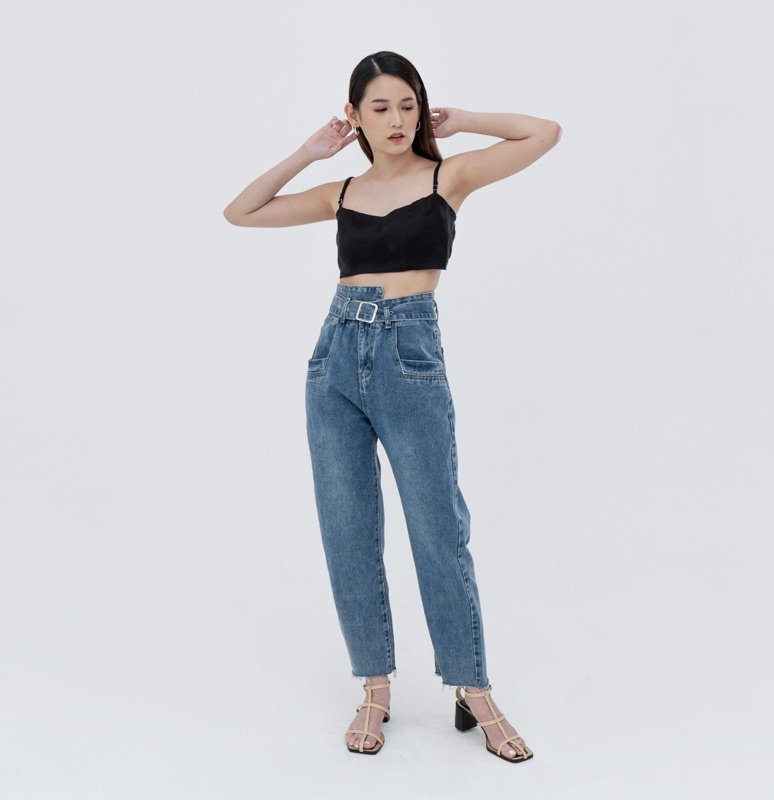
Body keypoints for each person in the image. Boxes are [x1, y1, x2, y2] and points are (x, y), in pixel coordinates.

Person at [223, 51, 561, 763]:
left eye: (408, 104)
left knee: (439, 529)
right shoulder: (340, 192)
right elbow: (240, 212)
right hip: (334, 359)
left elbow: (544, 132)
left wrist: (462, 121)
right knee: (347, 531)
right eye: (379, 107)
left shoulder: (448, 176)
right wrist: (309, 152)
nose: (397, 119)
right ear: (355, 116)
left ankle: (473, 688)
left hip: (409, 356)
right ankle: (374, 688)